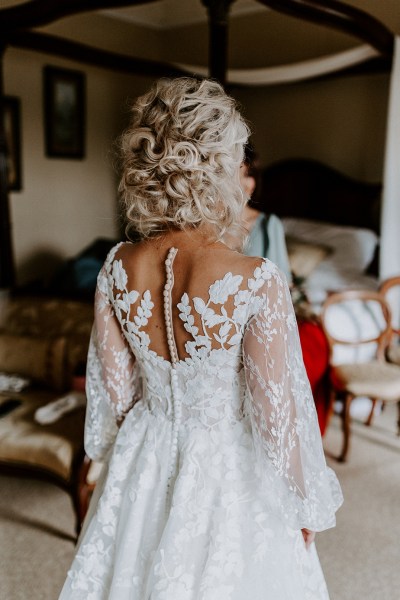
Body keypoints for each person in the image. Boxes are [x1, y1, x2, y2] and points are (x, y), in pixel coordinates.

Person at [59, 78, 342, 599]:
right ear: (219, 167)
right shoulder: (255, 278)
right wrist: (304, 506)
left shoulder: (116, 266)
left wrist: (127, 462)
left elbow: (116, 395)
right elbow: (275, 417)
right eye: (237, 159)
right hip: (227, 468)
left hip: (146, 449)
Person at [240, 146, 293, 283]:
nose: (247, 183)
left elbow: (281, 281)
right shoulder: (208, 225)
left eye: (249, 174)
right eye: (240, 174)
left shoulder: (269, 225)